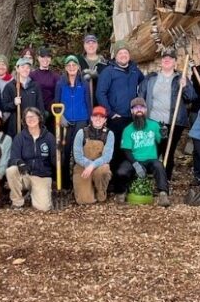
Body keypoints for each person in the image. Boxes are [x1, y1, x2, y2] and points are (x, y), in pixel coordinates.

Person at [96, 41, 144, 186]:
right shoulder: (108, 72)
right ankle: (114, 183)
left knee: (131, 149)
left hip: (132, 118)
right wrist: (110, 113)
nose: (123, 55)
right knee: (116, 149)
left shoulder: (135, 71)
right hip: (116, 118)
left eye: (126, 53)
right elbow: (100, 93)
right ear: (115, 56)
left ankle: (129, 180)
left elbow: (144, 84)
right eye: (120, 53)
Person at [137, 47, 189, 177]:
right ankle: (149, 178)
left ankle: (165, 181)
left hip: (174, 122)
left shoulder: (180, 78)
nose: (167, 60)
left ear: (175, 62)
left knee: (168, 151)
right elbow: (141, 96)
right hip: (152, 121)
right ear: (161, 61)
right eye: (164, 58)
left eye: (170, 58)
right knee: (152, 150)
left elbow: (191, 97)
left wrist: (185, 86)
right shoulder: (151, 78)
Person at [117, 97, 171, 206]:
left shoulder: (154, 125)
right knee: (121, 172)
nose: (139, 110)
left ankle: (163, 194)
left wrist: (164, 135)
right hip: (134, 159)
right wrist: (135, 164)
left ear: (146, 110)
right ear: (132, 111)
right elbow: (126, 150)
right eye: (136, 108)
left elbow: (162, 145)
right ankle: (122, 193)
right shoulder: (128, 129)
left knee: (159, 166)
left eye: (141, 107)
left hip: (151, 159)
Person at [6, 107, 56, 212]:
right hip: (25, 175)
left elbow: (55, 162)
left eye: (33, 116)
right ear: (24, 120)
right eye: (27, 117)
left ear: (39, 118)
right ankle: (17, 202)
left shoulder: (49, 137)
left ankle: (34, 193)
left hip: (41, 176)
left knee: (43, 208)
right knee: (11, 170)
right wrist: (19, 162)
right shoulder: (20, 138)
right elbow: (13, 158)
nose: (30, 119)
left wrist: (59, 153)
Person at [54, 55, 91, 190]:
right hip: (66, 122)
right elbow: (56, 103)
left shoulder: (84, 84)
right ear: (65, 68)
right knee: (64, 151)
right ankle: (64, 183)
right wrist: (61, 117)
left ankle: (78, 182)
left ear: (78, 67)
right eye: (69, 66)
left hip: (81, 120)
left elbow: (88, 103)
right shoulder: (60, 84)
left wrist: (89, 121)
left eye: (74, 65)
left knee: (78, 152)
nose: (71, 68)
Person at [72, 106, 114, 204]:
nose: (98, 119)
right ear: (91, 118)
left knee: (104, 170)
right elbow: (77, 156)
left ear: (105, 120)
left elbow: (107, 157)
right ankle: (89, 190)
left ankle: (100, 190)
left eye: (101, 116)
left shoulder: (109, 134)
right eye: (95, 116)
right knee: (84, 201)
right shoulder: (81, 132)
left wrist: (92, 166)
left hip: (99, 166)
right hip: (82, 167)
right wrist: (88, 165)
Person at [2, 56, 45, 136]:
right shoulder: (10, 86)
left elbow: (40, 106)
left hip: (32, 125)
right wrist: (13, 103)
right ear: (17, 69)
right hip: (16, 126)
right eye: (22, 67)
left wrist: (40, 123)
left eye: (28, 67)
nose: (25, 69)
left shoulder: (35, 86)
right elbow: (4, 106)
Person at [32, 47, 58, 112]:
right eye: (43, 57)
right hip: (35, 111)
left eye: (48, 57)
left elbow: (59, 94)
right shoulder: (32, 75)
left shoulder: (55, 76)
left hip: (51, 111)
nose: (45, 59)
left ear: (51, 59)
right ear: (38, 58)